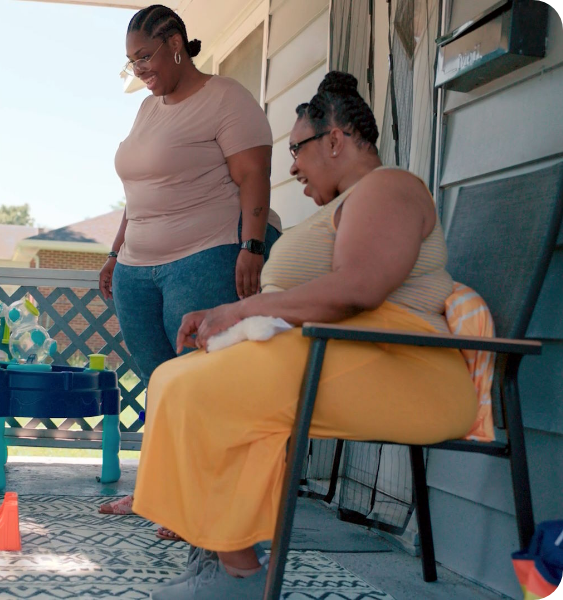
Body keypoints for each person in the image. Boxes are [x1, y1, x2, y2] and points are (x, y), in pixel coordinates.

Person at [133, 71, 479, 599]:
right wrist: (226, 312)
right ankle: (220, 554)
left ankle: (239, 575)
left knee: (210, 388)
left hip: (408, 364)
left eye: (297, 149)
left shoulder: (389, 188)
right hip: (350, 350)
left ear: (335, 139)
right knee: (175, 378)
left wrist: (240, 309)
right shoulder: (346, 204)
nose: (291, 165)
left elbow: (358, 289)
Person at [97, 5, 282, 538]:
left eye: (146, 57)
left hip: (203, 256)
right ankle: (159, 490)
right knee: (162, 385)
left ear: (175, 41)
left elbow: (254, 176)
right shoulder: (150, 110)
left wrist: (251, 247)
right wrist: (115, 251)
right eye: (132, 62)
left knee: (199, 384)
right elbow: (139, 193)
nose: (140, 70)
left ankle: (200, 501)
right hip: (137, 267)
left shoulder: (226, 98)